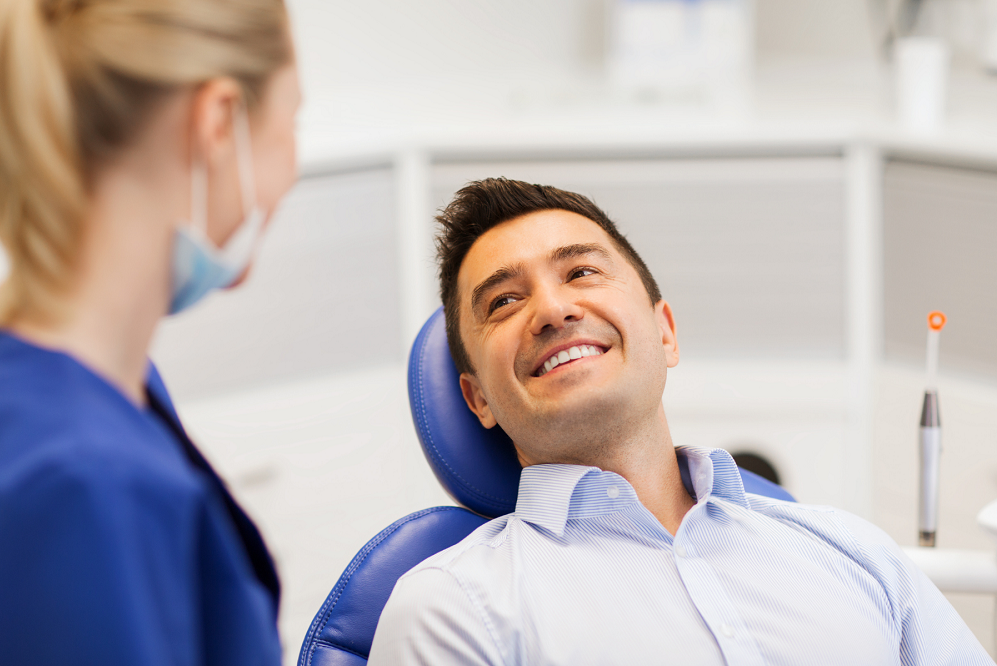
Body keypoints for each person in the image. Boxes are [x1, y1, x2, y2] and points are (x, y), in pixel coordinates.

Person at [368, 178, 993, 665]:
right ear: (478, 399)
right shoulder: (450, 610)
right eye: (504, 301)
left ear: (664, 332)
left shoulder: (849, 551)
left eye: (581, 271)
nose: (553, 309)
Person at [0, 1, 300, 664]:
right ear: (220, 122)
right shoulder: (82, 479)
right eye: (292, 115)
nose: (294, 166)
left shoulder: (98, 400)